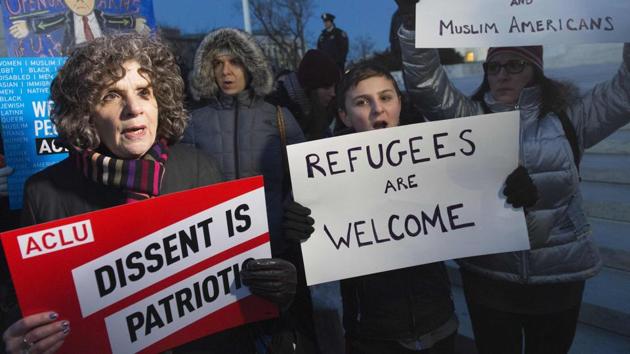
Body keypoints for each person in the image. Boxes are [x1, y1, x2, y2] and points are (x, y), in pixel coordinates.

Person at [1, 33, 298, 354]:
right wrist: (18, 340)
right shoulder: (43, 193)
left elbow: (237, 285)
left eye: (144, 92)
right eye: (112, 95)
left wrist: (276, 285)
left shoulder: (199, 168)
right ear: (85, 113)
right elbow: (20, 310)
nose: (133, 108)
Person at [395, 1, 630, 353]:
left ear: (535, 69)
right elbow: (427, 85)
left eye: (514, 64)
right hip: (490, 279)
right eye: (493, 66)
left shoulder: (571, 118)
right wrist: (415, 24)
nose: (501, 74)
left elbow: (623, 93)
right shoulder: (470, 118)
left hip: (559, 279)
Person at [184, 28, 319, 353]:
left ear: (251, 66)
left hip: (278, 257)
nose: (226, 71)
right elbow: (182, 188)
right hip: (216, 265)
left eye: (235, 62)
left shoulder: (279, 117)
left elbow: (307, 182)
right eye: (217, 63)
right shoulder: (192, 123)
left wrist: (296, 214)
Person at [8, 0, 150, 55]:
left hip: (103, 56)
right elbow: (49, 22)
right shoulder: (67, 18)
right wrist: (28, 26)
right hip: (76, 58)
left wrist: (134, 23)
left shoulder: (100, 16)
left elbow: (116, 20)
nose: (80, 2)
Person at [267, 49, 340, 141]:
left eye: (334, 87)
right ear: (310, 87)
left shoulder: (321, 111)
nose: (333, 93)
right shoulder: (274, 108)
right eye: (326, 87)